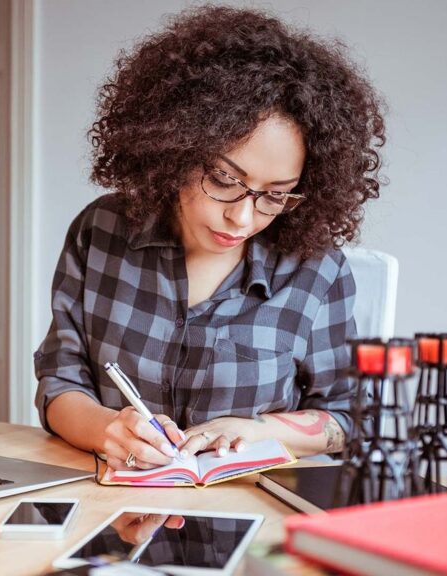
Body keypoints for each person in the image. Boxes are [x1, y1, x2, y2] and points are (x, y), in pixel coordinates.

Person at [34, 5, 385, 472]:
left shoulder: (314, 269)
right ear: (175, 151)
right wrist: (108, 429)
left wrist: (259, 430)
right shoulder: (101, 231)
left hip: (248, 506)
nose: (242, 217)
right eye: (223, 180)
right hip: (112, 498)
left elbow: (351, 416)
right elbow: (59, 381)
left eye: (275, 195)